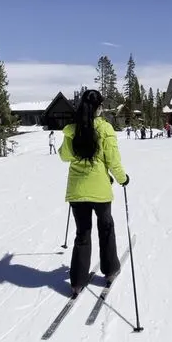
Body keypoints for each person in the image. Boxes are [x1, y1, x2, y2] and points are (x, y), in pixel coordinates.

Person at [58, 89, 129, 297]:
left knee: (83, 233)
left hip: (77, 191)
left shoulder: (72, 129)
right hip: (100, 189)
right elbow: (113, 160)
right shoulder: (105, 128)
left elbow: (65, 156)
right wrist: (122, 178)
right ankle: (110, 270)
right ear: (99, 108)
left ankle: (77, 281)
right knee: (106, 227)